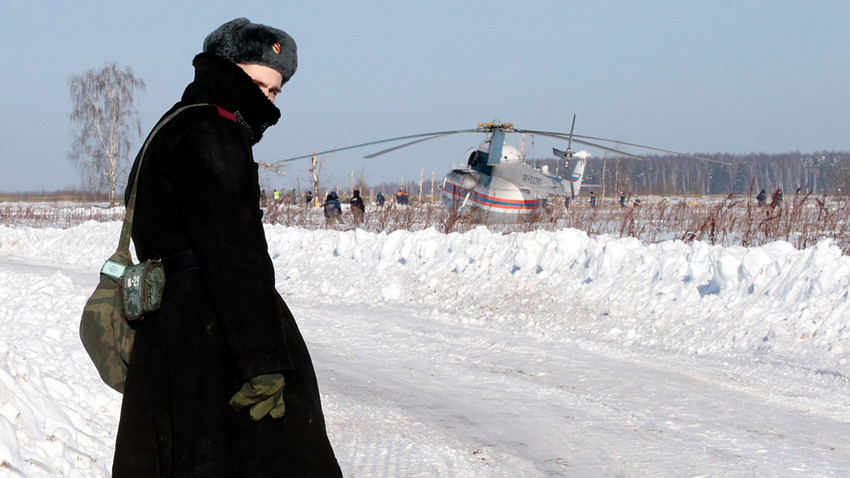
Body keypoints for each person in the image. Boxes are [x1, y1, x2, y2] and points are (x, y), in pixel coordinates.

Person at [117, 18, 341, 477]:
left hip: (172, 332)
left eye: (275, 90)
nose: (265, 97)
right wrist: (264, 362)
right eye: (257, 82)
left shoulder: (173, 123)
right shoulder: (215, 131)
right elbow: (236, 252)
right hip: (215, 335)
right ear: (227, 69)